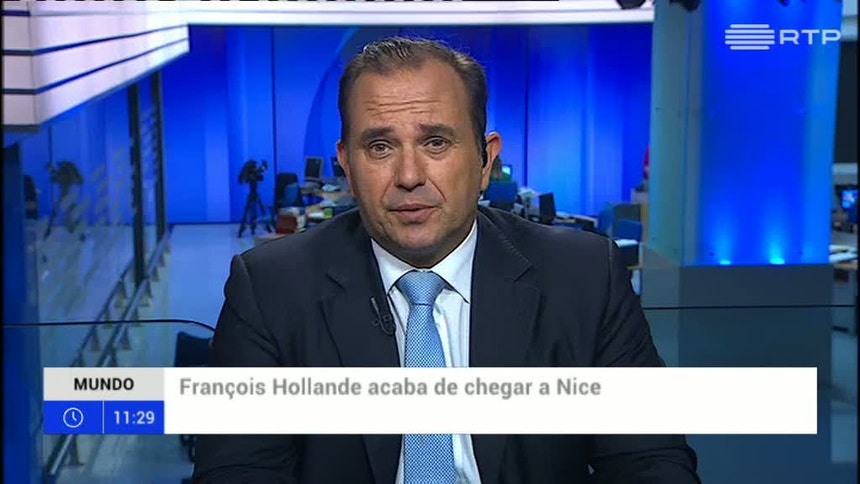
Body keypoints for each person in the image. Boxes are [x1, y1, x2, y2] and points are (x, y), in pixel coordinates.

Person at [193, 37, 699, 483]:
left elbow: (649, 459)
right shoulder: (270, 287)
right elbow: (238, 470)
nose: (409, 175)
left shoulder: (585, 276)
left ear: (485, 160)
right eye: (380, 146)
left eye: (435, 142)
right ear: (346, 164)